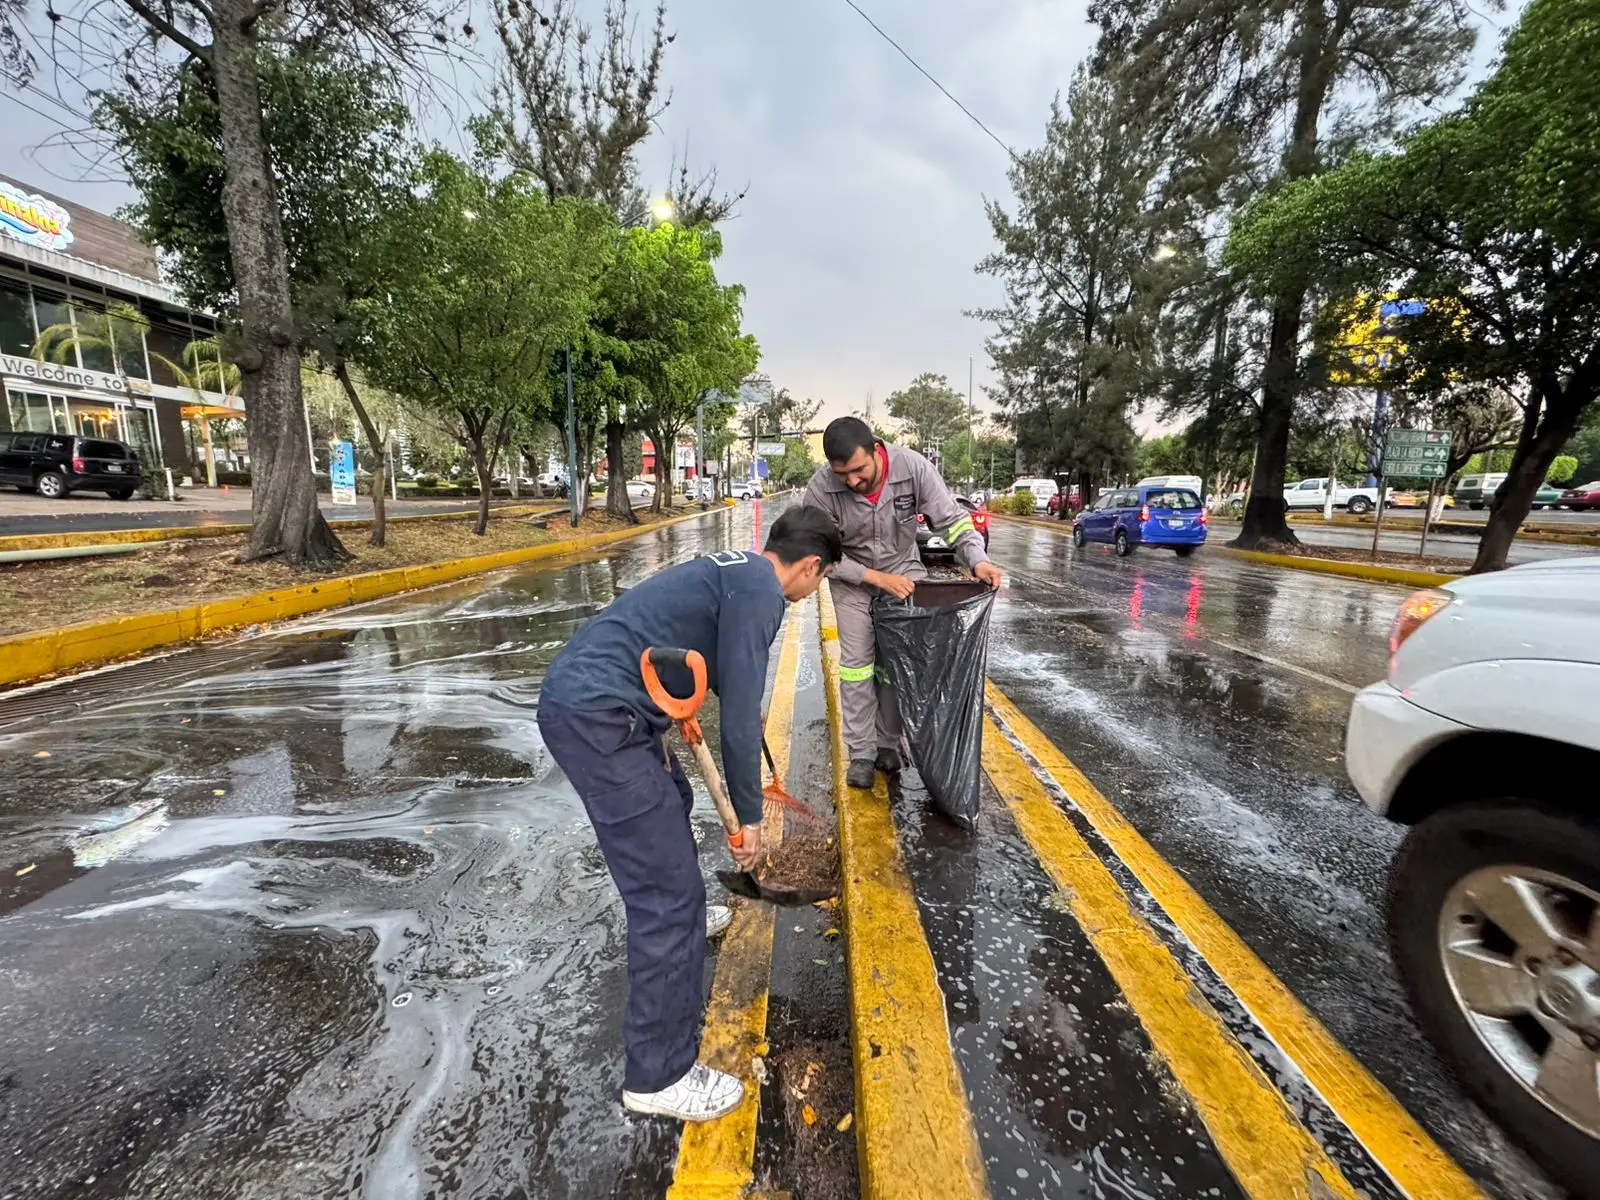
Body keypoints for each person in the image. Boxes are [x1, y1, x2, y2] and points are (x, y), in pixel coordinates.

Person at [536, 506, 842, 1122]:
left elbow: (722, 677)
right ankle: (658, 1076)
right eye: (822, 580)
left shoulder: (738, 572)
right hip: (600, 717)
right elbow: (735, 720)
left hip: (606, 701)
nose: (815, 592)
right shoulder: (764, 594)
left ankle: (689, 922)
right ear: (811, 567)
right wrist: (748, 822)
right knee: (666, 896)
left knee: (672, 801)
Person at [803, 416, 1003, 790]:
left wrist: (978, 559)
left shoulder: (913, 468)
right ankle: (861, 754)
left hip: (904, 570)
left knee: (898, 663)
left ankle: (888, 744)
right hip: (853, 581)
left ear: (876, 451)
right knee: (858, 666)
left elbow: (953, 521)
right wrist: (875, 579)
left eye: (859, 470)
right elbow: (821, 554)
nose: (851, 481)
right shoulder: (820, 489)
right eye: (842, 473)